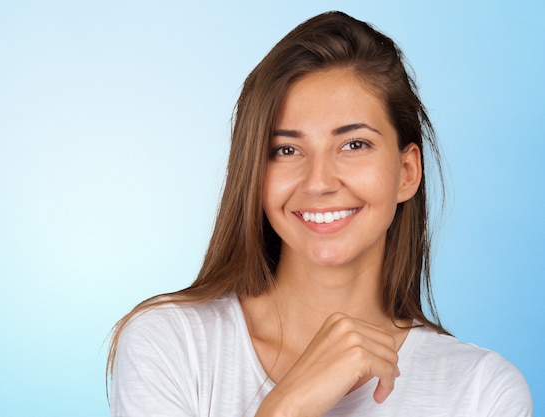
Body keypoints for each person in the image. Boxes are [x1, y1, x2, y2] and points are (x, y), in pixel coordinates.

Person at [107, 11, 532, 416]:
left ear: (406, 172)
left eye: (354, 145)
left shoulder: (482, 392)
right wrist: (288, 406)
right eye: (287, 150)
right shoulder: (168, 344)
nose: (319, 182)